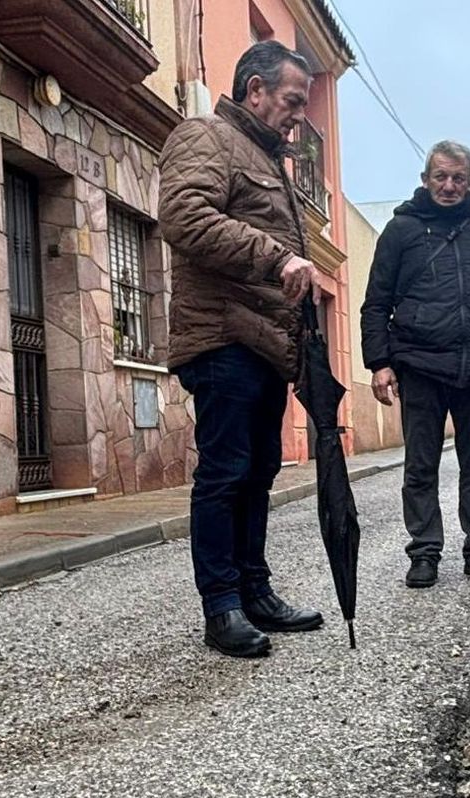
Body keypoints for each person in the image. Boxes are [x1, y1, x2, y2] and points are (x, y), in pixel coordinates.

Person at [158, 41, 327, 657]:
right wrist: (276, 256)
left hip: (262, 343)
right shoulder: (203, 135)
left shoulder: (263, 156)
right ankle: (222, 606)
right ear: (255, 90)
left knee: (258, 472)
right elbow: (186, 219)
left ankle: (255, 591)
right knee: (225, 473)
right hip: (222, 336)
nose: (297, 117)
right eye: (291, 100)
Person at [360, 141, 470, 589]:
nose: (449, 186)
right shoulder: (401, 232)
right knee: (421, 467)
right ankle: (425, 553)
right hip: (420, 367)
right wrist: (380, 362)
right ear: (426, 179)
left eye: (459, 178)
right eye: (441, 177)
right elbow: (376, 303)